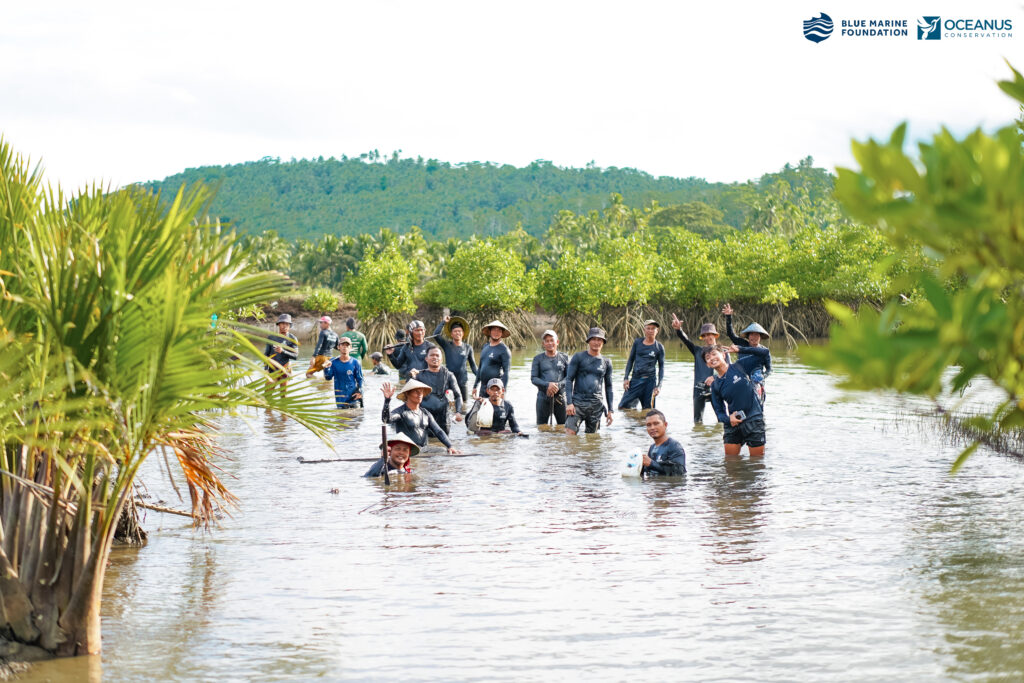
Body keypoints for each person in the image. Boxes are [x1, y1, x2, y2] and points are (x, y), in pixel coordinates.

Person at [704, 344, 770, 457]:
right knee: (731, 464)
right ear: (707, 364)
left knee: (757, 464)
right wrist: (729, 419)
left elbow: (765, 353)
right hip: (733, 424)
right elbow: (719, 413)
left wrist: (741, 349)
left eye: (714, 354)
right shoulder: (715, 385)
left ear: (724, 355)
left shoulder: (740, 366)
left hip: (753, 419)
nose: (712, 358)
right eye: (708, 357)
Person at [380, 379, 461, 454]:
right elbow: (386, 419)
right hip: (407, 450)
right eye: (416, 392)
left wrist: (450, 446)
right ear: (407, 394)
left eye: (421, 392)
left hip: (424, 449)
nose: (419, 394)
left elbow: (438, 431)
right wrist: (387, 400)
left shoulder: (425, 413)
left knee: (447, 452)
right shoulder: (400, 412)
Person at [670, 314, 723, 423]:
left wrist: (715, 377)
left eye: (710, 334)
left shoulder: (722, 352)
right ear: (702, 337)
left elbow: (728, 370)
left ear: (715, 335)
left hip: (716, 387)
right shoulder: (698, 351)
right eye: (705, 335)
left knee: (722, 419)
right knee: (697, 422)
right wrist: (679, 330)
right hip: (699, 388)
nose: (708, 337)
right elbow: (686, 340)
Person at [565, 327, 614, 435]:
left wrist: (610, 409)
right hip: (578, 403)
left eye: (599, 340)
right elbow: (569, 380)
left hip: (596, 405)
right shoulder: (578, 357)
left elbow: (609, 386)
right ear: (588, 341)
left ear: (603, 342)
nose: (596, 342)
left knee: (592, 439)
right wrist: (569, 403)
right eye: (594, 339)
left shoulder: (606, 362)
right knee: (570, 433)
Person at [722, 303, 772, 404]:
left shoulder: (764, 351)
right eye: (751, 334)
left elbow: (769, 369)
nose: (754, 337)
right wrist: (728, 317)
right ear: (748, 336)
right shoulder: (742, 344)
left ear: (760, 337)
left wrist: (764, 375)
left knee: (757, 404)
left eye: (757, 335)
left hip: (757, 381)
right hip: (741, 378)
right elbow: (731, 334)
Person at [410, 347, 464, 435]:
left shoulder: (449, 375)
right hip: (424, 418)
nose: (435, 357)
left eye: (437, 355)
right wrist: (411, 377)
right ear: (426, 359)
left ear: (441, 359)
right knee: (425, 444)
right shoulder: (419, 375)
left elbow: (458, 395)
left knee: (443, 444)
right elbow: (409, 396)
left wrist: (458, 412)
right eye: (432, 355)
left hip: (443, 419)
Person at [619, 319, 665, 411]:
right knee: (622, 406)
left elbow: (662, 367)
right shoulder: (637, 343)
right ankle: (633, 422)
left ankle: (643, 424)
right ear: (644, 330)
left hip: (650, 382)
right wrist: (626, 378)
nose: (651, 331)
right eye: (648, 328)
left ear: (657, 331)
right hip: (636, 380)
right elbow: (630, 360)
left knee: (648, 410)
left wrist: (659, 386)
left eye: (653, 329)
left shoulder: (659, 347)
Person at [433, 315, 478, 406]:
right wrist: (443, 322)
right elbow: (436, 335)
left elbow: (473, 366)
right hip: (448, 381)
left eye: (460, 331)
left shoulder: (468, 347)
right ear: (451, 334)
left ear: (463, 333)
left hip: (463, 381)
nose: (458, 333)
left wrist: (480, 376)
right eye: (455, 331)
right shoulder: (447, 345)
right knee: (450, 405)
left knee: (464, 404)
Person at [530, 329, 569, 425]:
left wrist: (557, 386)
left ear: (557, 342)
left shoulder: (565, 357)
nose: (549, 343)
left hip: (560, 398)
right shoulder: (537, 359)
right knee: (541, 428)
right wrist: (547, 385)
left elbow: (569, 377)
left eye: (552, 340)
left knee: (564, 428)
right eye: (547, 341)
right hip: (543, 397)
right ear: (543, 344)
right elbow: (534, 378)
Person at [641, 409, 687, 476]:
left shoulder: (674, 446)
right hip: (655, 485)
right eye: (649, 425)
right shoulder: (652, 447)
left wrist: (651, 463)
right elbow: (650, 470)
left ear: (665, 425)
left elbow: (679, 472)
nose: (652, 427)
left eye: (656, 423)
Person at [473, 320, 511, 397]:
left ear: (502, 333)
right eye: (494, 330)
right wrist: (475, 386)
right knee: (480, 408)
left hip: (495, 389)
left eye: (499, 330)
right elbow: (480, 368)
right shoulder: (485, 347)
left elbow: (506, 372)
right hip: (483, 387)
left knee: (495, 409)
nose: (496, 332)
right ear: (490, 331)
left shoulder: (504, 350)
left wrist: (503, 390)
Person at [323, 337, 363, 408]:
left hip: (354, 398)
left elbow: (360, 379)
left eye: (347, 345)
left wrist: (360, 391)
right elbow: (328, 378)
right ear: (338, 347)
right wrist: (326, 368)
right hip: (340, 400)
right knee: (342, 417)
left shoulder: (355, 362)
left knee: (356, 417)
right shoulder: (333, 362)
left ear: (350, 348)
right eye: (342, 345)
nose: (345, 347)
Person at [263, 314, 299, 391]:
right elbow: (266, 354)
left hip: (285, 370)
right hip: (272, 370)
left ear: (290, 326)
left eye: (287, 324)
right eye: (282, 323)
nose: (284, 326)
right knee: (267, 394)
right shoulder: (271, 337)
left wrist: (283, 351)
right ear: (278, 324)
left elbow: (295, 356)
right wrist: (266, 369)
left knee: (284, 396)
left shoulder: (293, 339)